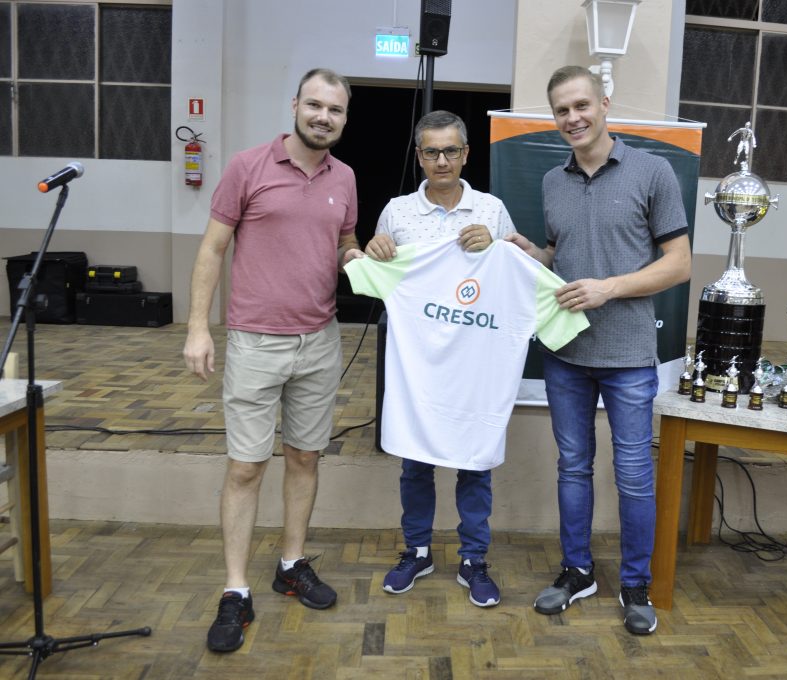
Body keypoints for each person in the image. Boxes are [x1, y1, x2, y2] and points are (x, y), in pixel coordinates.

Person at [506, 66, 692, 635]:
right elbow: (559, 255)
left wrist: (608, 288)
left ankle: (636, 585)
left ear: (604, 103)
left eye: (581, 105)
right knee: (573, 468)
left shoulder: (653, 171)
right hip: (565, 353)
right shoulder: (552, 181)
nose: (573, 118)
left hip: (629, 355)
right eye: (562, 110)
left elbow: (679, 264)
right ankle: (578, 571)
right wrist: (529, 253)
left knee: (633, 475)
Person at [183, 67, 361, 653]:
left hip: (320, 341)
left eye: (334, 110)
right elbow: (213, 247)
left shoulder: (345, 177)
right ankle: (235, 589)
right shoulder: (247, 166)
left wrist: (360, 256)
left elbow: (343, 244)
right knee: (246, 467)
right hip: (256, 343)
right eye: (315, 105)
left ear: (344, 118)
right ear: (295, 105)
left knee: (305, 457)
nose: (323, 117)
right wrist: (198, 328)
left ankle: (291, 564)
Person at [362, 110, 516, 608]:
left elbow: (518, 269)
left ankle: (474, 559)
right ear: (419, 156)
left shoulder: (491, 210)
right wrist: (372, 250)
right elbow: (377, 279)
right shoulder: (396, 212)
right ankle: (417, 551)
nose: (442, 160)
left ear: (466, 154)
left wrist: (498, 243)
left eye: (451, 151)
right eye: (432, 152)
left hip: (474, 365)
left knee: (475, 464)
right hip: (418, 367)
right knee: (415, 462)